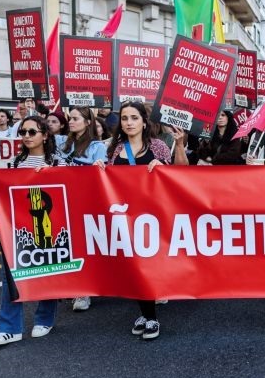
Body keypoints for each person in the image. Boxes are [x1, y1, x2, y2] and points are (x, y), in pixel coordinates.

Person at [94, 102, 187, 340]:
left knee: (145, 266)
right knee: (134, 266)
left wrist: (172, 154)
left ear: (144, 122)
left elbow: (181, 171)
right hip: (126, 217)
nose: (129, 122)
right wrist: (100, 169)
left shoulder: (156, 146)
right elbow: (110, 182)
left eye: (134, 117)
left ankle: (150, 317)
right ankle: (147, 314)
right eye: (124, 118)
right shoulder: (115, 149)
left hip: (153, 216)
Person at [0, 116, 65, 346]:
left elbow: (71, 189)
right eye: (23, 132)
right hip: (18, 227)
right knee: (10, 276)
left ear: (45, 134)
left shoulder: (58, 162)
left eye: (32, 132)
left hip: (48, 223)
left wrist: (53, 174)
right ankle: (10, 328)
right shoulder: (13, 163)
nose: (27, 136)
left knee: (49, 270)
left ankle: (45, 318)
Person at [55, 107, 108, 311]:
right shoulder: (61, 142)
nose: (71, 121)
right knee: (69, 244)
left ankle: (84, 291)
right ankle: (75, 285)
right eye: (70, 118)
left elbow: (101, 174)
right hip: (63, 199)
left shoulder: (97, 147)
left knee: (84, 245)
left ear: (88, 122)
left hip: (86, 201)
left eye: (76, 118)